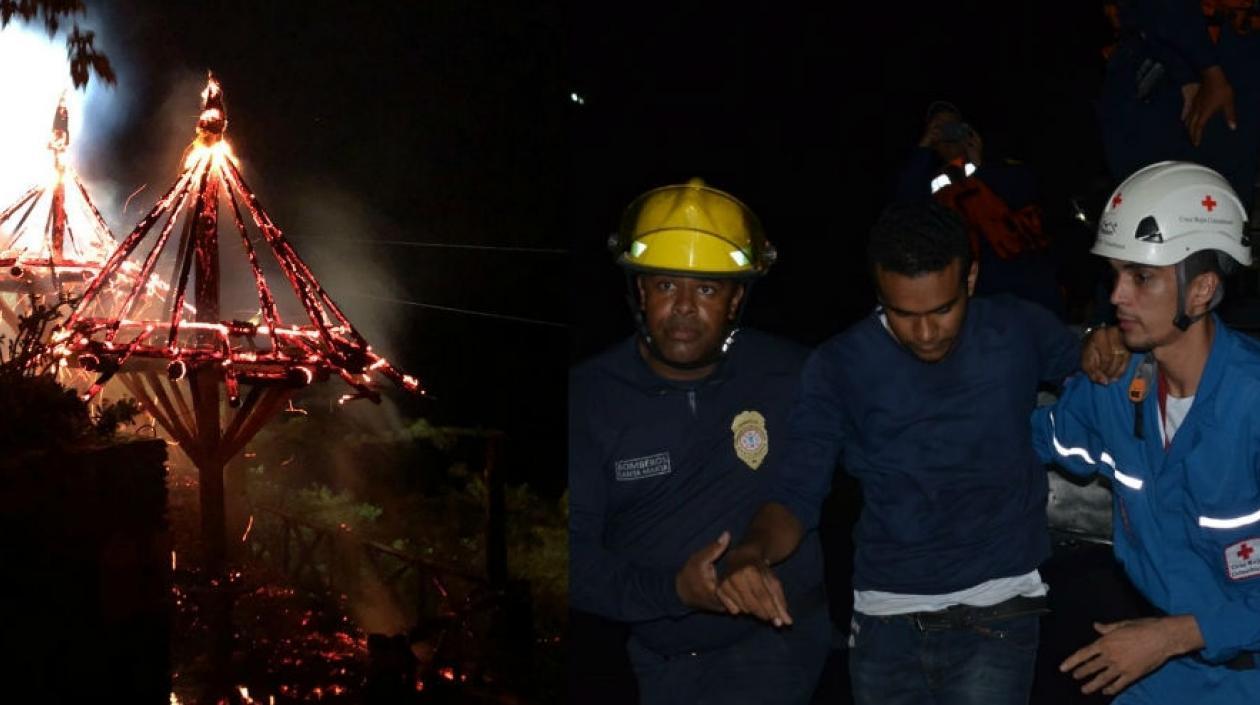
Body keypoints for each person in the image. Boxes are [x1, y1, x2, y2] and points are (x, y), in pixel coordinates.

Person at [716, 201, 1117, 705]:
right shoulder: (840, 364)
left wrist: (1104, 343)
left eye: (942, 310)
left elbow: (1092, 360)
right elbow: (797, 491)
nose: (925, 334)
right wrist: (750, 552)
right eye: (903, 314)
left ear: (970, 278)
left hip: (1000, 604)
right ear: (879, 292)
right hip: (886, 614)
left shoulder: (1017, 329)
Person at [568, 179, 830, 704]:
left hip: (776, 645)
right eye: (666, 285)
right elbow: (576, 560)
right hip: (661, 661)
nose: (684, 307)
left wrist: (749, 554)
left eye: (707, 289)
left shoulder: (795, 373)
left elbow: (808, 487)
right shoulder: (589, 397)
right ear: (640, 290)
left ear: (736, 298)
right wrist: (674, 591)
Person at [1032, 161, 1260, 702]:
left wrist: (1176, 635)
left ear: (1201, 289)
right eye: (1115, 275)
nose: (1117, 296)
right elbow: (1024, 440)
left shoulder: (1251, 404)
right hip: (1163, 675)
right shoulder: (1112, 385)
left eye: (1141, 277)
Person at [894, 101, 1065, 319]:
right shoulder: (931, 185)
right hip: (980, 297)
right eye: (939, 128)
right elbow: (904, 207)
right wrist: (924, 146)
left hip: (1032, 288)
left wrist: (981, 164)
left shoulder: (1003, 168)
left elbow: (1028, 197)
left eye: (953, 126)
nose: (948, 134)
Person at [1099, 1, 1260, 213]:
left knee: (1225, 208)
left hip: (1235, 74)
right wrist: (1200, 71)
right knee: (1150, 203)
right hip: (1163, 80)